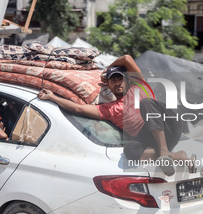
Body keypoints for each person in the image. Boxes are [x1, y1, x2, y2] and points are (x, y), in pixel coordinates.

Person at [38, 55, 192, 176]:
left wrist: (108, 69)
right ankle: (176, 156)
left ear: (127, 81)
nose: (118, 83)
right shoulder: (108, 109)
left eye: (120, 79)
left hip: (169, 126)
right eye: (113, 81)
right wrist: (53, 97)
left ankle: (164, 153)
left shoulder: (138, 87)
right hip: (149, 140)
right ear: (108, 86)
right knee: (130, 151)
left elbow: (126, 59)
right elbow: (78, 109)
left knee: (146, 103)